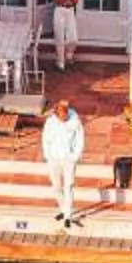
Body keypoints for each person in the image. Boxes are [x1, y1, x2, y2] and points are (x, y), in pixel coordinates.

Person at [41, 92, 86, 226]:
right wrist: (47, 155)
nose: (63, 119)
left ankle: (68, 215)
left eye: (65, 117)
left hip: (68, 159)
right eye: (61, 117)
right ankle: (63, 208)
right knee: (56, 187)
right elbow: (45, 139)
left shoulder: (75, 120)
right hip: (54, 158)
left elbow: (80, 139)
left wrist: (75, 156)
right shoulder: (50, 122)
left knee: (69, 186)